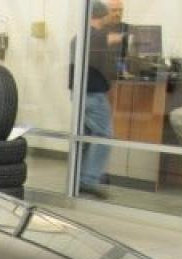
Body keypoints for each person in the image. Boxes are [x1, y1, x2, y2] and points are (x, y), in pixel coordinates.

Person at [70, 1, 117, 197]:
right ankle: (88, 179)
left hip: (81, 94)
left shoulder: (78, 37)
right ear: (102, 16)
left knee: (86, 137)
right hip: (93, 94)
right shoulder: (97, 37)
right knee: (104, 135)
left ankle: (80, 177)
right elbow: (103, 61)